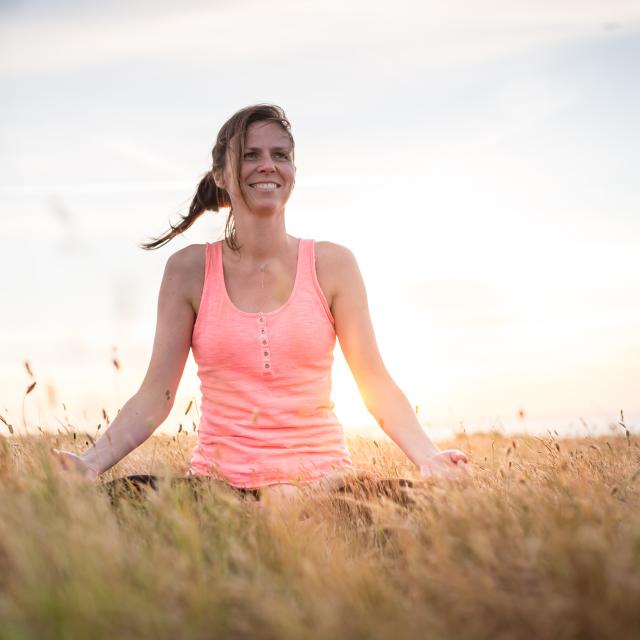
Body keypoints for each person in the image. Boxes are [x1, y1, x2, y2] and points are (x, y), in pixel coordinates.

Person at [51, 104, 469, 507]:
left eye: (280, 155)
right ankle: (262, 513)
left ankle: (289, 510)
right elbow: (155, 396)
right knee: (114, 504)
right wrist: (89, 463)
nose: (267, 165)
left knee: (420, 510)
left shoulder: (333, 264)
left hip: (327, 487)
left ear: (292, 172)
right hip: (218, 491)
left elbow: (374, 381)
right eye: (250, 155)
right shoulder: (188, 270)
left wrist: (428, 457)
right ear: (221, 175)